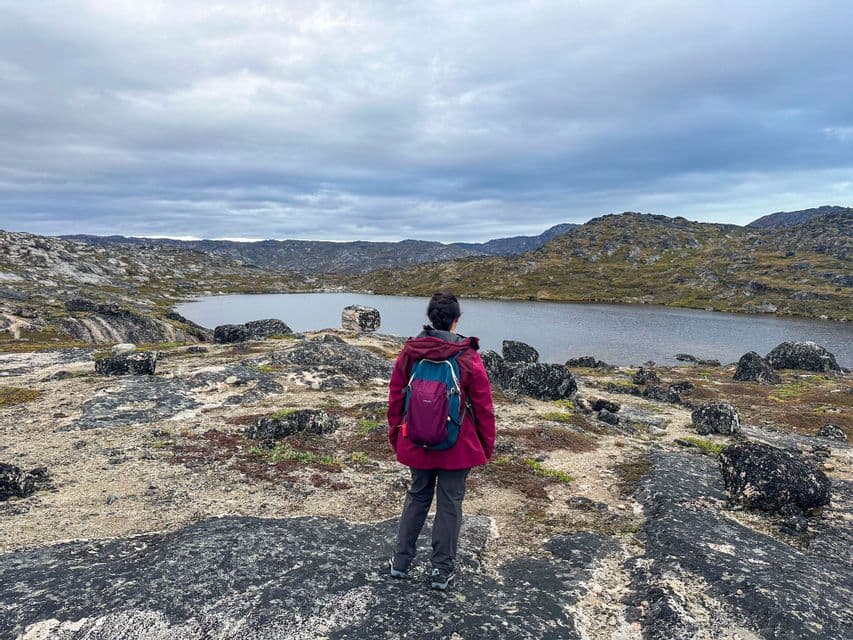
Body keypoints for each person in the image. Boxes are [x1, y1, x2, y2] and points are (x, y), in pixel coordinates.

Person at [387, 291, 496, 590]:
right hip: (457, 446)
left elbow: (396, 397)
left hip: (417, 441)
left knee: (418, 495)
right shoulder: (468, 357)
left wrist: (397, 435)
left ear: (429, 319)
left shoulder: (410, 352)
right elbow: (484, 407)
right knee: (450, 503)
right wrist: (486, 446)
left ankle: (400, 563)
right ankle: (440, 571)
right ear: (456, 320)